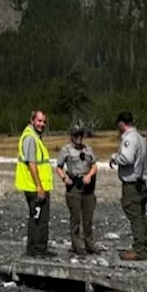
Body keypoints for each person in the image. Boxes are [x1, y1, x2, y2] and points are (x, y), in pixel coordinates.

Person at [108, 111, 147, 261]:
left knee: (135, 215)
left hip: (132, 183)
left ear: (121, 123)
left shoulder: (129, 139)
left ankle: (140, 249)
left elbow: (127, 157)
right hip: (141, 182)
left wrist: (115, 158)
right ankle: (142, 244)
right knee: (140, 215)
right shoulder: (140, 138)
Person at [55, 126, 101, 255]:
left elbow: (94, 166)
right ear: (72, 137)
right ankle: (76, 244)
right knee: (75, 217)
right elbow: (58, 167)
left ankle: (89, 243)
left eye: (81, 135)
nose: (79, 138)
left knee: (88, 217)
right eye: (76, 136)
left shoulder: (88, 149)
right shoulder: (66, 150)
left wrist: (89, 175)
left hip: (88, 185)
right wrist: (64, 178)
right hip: (74, 184)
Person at [15, 110, 54, 257]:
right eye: (39, 121)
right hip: (34, 186)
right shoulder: (31, 138)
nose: (42, 124)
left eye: (44, 121)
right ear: (32, 121)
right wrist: (39, 187)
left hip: (33, 185)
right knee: (40, 219)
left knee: (35, 217)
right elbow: (31, 163)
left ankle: (32, 249)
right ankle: (38, 250)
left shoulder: (33, 136)